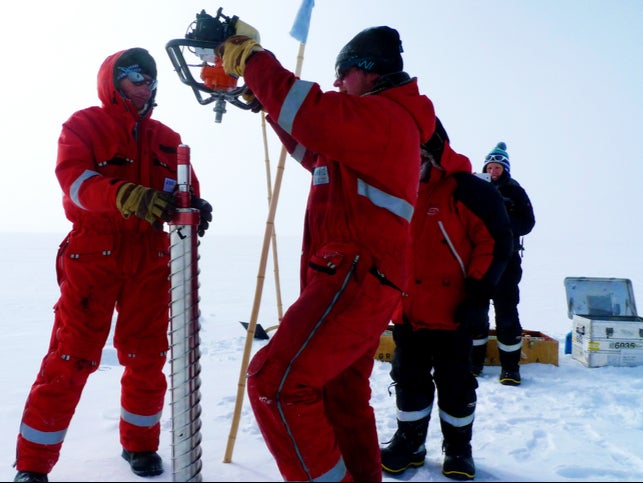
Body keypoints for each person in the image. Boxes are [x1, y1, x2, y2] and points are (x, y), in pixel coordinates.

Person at [216, 26, 435, 481]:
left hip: (356, 276)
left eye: (342, 73)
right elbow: (312, 148)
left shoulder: (385, 117)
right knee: (340, 395)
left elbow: (313, 115)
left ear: (368, 73)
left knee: (274, 384)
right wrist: (268, 104)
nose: (337, 83)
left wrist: (253, 59)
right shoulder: (370, 129)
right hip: (360, 280)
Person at [13, 47, 213, 483]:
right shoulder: (84, 125)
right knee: (71, 357)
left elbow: (184, 191)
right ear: (112, 79)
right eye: (133, 74)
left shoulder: (168, 139)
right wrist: (123, 195)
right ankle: (33, 464)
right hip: (94, 254)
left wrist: (194, 206)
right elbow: (76, 182)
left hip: (151, 258)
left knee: (147, 356)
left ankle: (139, 445)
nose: (144, 83)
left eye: (149, 76)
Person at [380, 120, 513, 480]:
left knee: (456, 384)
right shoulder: (398, 188)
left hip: (455, 313)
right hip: (407, 312)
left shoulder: (468, 190)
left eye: (418, 150)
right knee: (408, 379)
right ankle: (410, 443)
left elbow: (497, 243)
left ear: (432, 150)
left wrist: (476, 294)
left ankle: (458, 449)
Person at [470, 142, 535, 386]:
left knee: (506, 313)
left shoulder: (515, 191)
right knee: (476, 312)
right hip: (478, 259)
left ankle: (510, 368)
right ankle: (473, 364)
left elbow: (528, 222)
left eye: (498, 166)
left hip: (507, 260)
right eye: (490, 166)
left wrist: (503, 224)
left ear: (505, 168)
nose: (494, 170)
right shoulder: (476, 188)